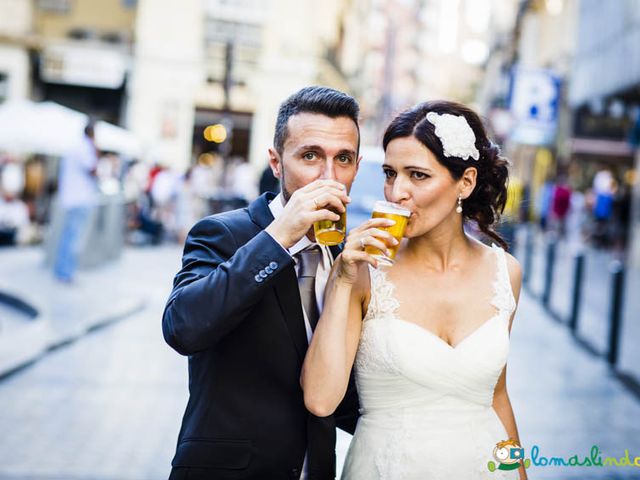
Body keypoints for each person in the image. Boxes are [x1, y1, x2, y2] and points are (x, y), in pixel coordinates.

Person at [302, 101, 527, 479]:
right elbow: (320, 400)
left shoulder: (505, 273)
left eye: (417, 176)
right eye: (391, 174)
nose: (396, 192)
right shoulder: (364, 272)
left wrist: (518, 473)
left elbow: (496, 396)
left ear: (465, 182)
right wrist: (342, 276)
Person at [162, 86, 361, 480]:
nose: (329, 176)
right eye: (310, 156)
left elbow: (341, 395)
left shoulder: (346, 258)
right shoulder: (222, 234)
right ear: (275, 162)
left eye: (344, 159)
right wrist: (279, 238)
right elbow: (182, 328)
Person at [53, 121, 98, 282]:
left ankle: (60, 270)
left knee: (67, 236)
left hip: (70, 198)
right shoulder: (86, 148)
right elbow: (93, 169)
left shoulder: (73, 146)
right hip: (81, 198)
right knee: (74, 238)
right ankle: (66, 273)